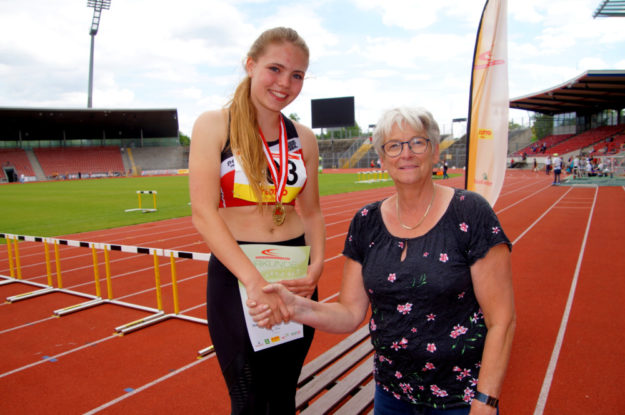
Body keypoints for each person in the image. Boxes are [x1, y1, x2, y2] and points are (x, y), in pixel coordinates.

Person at [249, 106, 516, 414]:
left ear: (434, 151)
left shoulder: (469, 212)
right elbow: (349, 313)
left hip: (460, 399)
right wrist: (295, 307)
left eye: (417, 142)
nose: (406, 153)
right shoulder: (366, 222)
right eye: (394, 145)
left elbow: (502, 320)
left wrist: (486, 400)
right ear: (382, 158)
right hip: (391, 395)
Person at [189, 27, 326, 414]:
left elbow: (312, 211)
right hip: (240, 274)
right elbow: (203, 212)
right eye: (275, 69)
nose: (285, 83)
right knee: (248, 398)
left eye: (297, 75)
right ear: (250, 65)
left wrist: (316, 267)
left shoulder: (303, 138)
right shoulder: (215, 125)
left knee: (283, 396)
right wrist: (254, 281)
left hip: (294, 271)